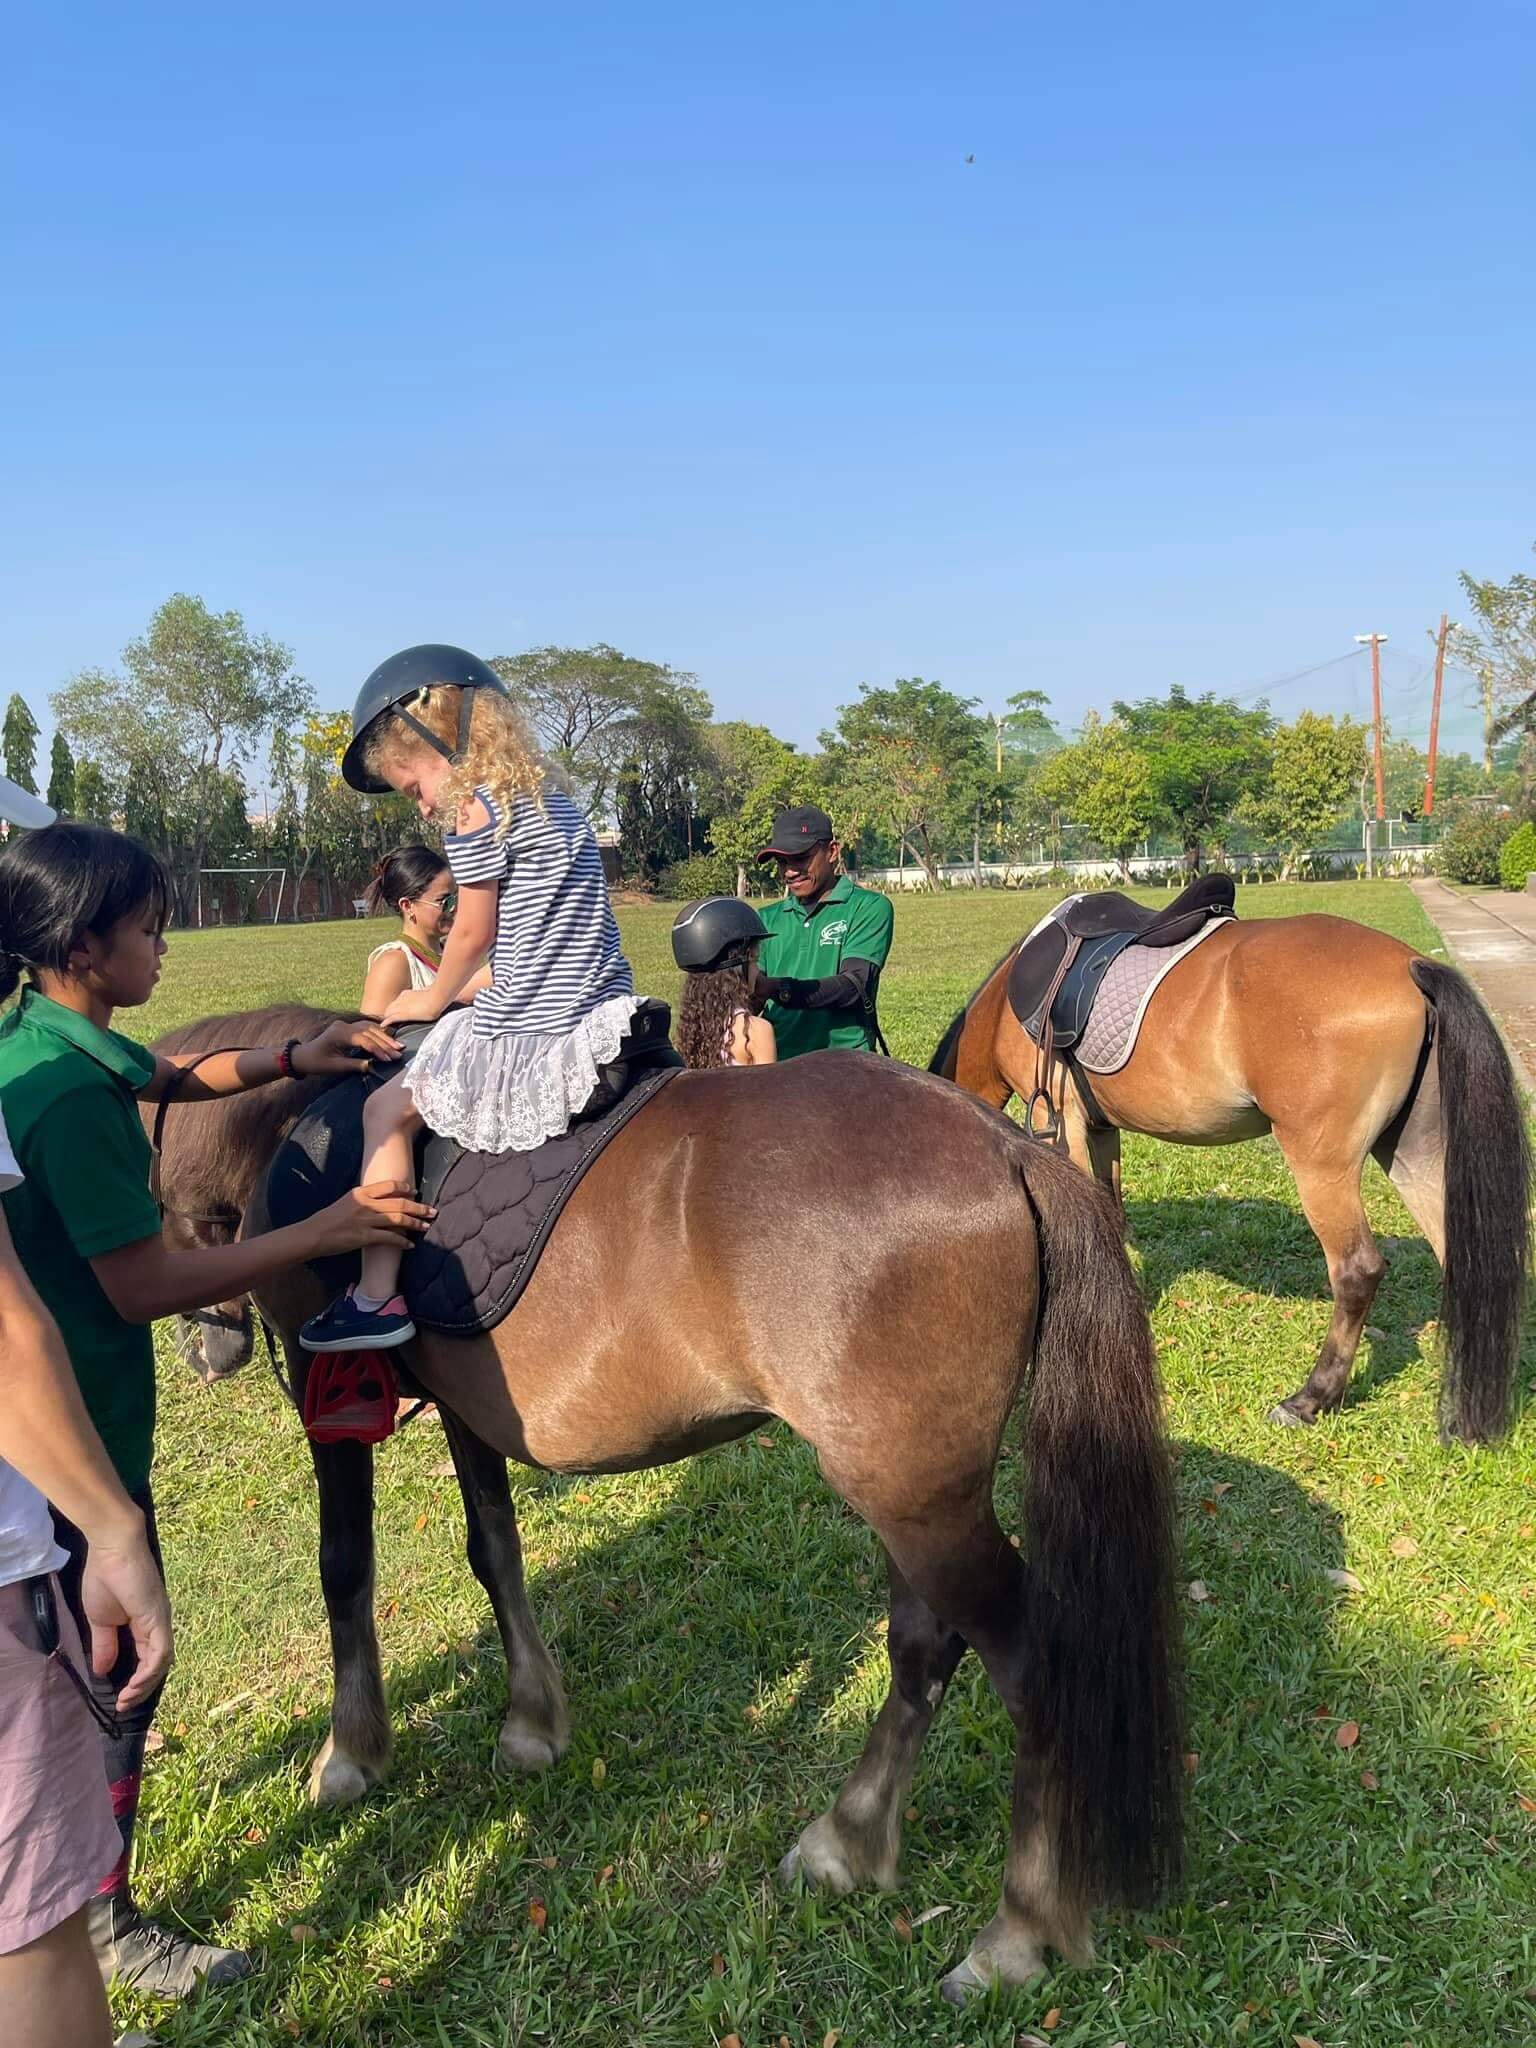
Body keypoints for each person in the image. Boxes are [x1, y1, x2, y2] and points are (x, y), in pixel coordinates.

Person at [0, 820, 434, 2001]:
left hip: (63, 1434)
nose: (167, 945)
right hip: (68, 1444)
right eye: (147, 926)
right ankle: (102, 1920)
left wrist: (300, 1054)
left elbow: (174, 1072)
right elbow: (140, 1283)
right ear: (80, 942)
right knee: (110, 1681)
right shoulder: (70, 1107)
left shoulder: (46, 1040)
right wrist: (324, 1230)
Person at [299, 643, 639, 1356]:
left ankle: (375, 1295)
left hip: (537, 1027)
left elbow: (476, 931)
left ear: (439, 737)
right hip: (598, 1001)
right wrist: (461, 995)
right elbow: (536, 943)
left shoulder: (475, 810)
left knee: (382, 1108)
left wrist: (433, 999)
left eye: (413, 782)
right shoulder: (553, 803)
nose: (420, 803)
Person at [753, 806, 895, 1057]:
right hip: (779, 1065)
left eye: (800, 858)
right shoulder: (764, 920)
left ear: (832, 851)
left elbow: (854, 985)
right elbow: (751, 997)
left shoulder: (868, 907)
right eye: (782, 862)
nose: (789, 871)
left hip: (846, 1063)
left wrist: (778, 988)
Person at [359, 843, 494, 1017]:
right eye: (445, 901)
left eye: (456, 897)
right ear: (408, 906)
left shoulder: (453, 953)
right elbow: (372, 1035)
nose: (454, 908)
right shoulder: (394, 963)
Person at [670, 897, 777, 1069]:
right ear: (737, 966)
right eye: (754, 960)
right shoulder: (756, 1031)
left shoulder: (691, 1028)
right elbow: (770, 1094)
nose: (757, 970)